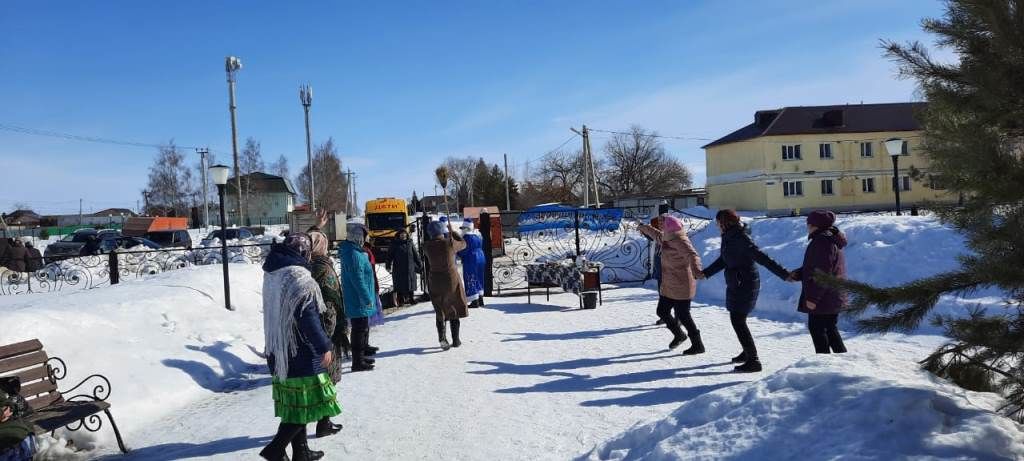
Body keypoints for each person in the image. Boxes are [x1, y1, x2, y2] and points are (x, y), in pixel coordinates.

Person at [259, 233, 340, 461]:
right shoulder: (299, 277)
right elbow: (308, 317)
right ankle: (275, 449)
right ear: (304, 253)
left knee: (296, 403)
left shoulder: (273, 273)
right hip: (300, 351)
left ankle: (301, 452)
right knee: (306, 403)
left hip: (279, 349)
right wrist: (324, 346)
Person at [701, 209, 790, 373]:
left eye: (718, 222)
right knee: (738, 319)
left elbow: (763, 258)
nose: (717, 225)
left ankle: (754, 361)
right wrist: (706, 273)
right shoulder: (730, 236)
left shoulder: (741, 238)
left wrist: (785, 275)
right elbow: (724, 259)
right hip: (738, 283)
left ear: (724, 223)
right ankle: (747, 353)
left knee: (738, 320)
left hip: (746, 284)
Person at [638, 215, 704, 354]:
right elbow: (656, 235)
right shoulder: (667, 237)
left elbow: (693, 255)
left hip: (682, 283)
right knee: (662, 311)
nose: (661, 226)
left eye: (663, 224)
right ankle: (679, 334)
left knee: (683, 314)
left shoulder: (680, 240)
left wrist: (697, 270)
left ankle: (698, 344)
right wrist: (643, 228)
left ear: (670, 226)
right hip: (669, 284)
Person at [789, 210, 849, 354]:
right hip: (830, 294)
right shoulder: (826, 239)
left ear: (816, 225)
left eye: (809, 223)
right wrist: (798, 274)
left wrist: (813, 298)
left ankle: (825, 364)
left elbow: (823, 273)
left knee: (818, 329)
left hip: (824, 296)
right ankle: (841, 364)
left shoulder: (822, 242)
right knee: (830, 329)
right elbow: (816, 266)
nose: (807, 225)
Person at [307, 231, 347, 438]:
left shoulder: (308, 265)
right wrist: (329, 337)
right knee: (327, 380)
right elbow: (328, 303)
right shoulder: (323, 268)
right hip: (326, 334)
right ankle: (323, 423)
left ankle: (324, 421)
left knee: (322, 380)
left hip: (313, 332)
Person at [422, 220, 469, 350]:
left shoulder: (426, 246)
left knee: (439, 309)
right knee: (453, 307)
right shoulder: (449, 243)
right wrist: (452, 232)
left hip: (435, 280)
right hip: (450, 280)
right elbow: (464, 244)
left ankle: (442, 338)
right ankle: (456, 339)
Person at [339, 223, 378, 372]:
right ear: (358, 237)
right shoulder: (353, 254)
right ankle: (357, 362)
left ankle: (361, 358)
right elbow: (358, 279)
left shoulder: (355, 251)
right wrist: (367, 298)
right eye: (364, 236)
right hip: (358, 299)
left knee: (361, 328)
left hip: (359, 298)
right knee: (358, 330)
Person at [387, 228, 422, 307]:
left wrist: (419, 264)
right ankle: (401, 300)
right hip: (399, 268)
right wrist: (388, 265)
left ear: (407, 234)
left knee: (410, 283)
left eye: (404, 233)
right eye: (401, 234)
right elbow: (389, 256)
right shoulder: (394, 244)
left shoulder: (410, 243)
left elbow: (415, 254)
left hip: (410, 267)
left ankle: (411, 299)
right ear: (399, 235)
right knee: (400, 284)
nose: (403, 235)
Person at [457, 219, 486, 308]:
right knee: (479, 277)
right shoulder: (477, 236)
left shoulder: (466, 238)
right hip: (481, 257)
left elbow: (463, 251)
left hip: (471, 259)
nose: (462, 230)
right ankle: (480, 298)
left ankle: (474, 301)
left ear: (466, 228)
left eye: (463, 228)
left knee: (471, 278)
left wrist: (457, 253)